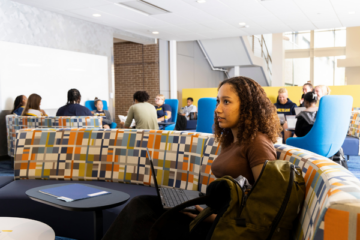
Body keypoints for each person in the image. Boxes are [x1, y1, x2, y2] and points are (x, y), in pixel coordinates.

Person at [101, 76, 281, 240]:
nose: (217, 109)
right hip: (214, 212)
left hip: (224, 228)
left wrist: (213, 217)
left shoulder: (257, 143)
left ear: (248, 106)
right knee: (141, 203)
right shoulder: (233, 140)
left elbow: (269, 206)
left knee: (144, 215)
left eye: (226, 102)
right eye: (218, 101)